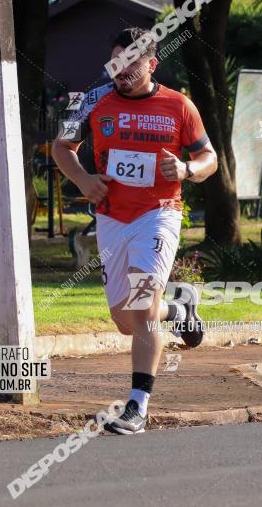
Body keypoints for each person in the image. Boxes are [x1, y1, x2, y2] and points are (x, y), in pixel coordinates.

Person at [51, 27, 217, 434]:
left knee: (142, 308)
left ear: (151, 64)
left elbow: (208, 158)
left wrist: (185, 169)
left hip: (158, 216)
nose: (121, 69)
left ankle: (137, 406)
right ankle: (177, 310)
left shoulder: (180, 106)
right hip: (111, 218)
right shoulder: (95, 101)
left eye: (132, 61)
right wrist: (83, 181)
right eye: (116, 61)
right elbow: (61, 147)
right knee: (125, 320)